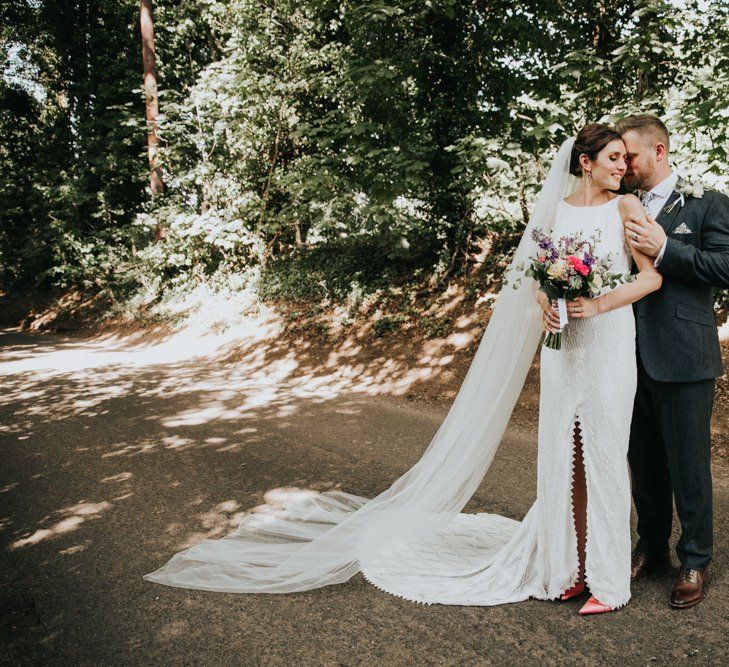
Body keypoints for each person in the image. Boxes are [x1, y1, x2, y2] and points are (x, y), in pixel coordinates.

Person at [143, 125, 659, 615]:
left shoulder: (626, 206)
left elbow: (650, 279)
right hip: (563, 349)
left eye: (625, 158)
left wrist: (602, 303)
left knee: (604, 459)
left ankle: (608, 582)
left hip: (608, 345)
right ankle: (567, 568)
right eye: (613, 158)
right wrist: (549, 301)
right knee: (562, 460)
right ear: (585, 163)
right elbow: (540, 279)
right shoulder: (557, 212)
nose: (623, 166)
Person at [614, 114, 729, 608]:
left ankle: (696, 559)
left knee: (688, 464)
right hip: (623, 354)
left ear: (658, 153)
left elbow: (724, 268)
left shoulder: (708, 204)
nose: (623, 165)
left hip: (684, 353)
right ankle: (652, 547)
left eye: (631, 156)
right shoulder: (614, 207)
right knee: (644, 461)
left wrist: (667, 250)